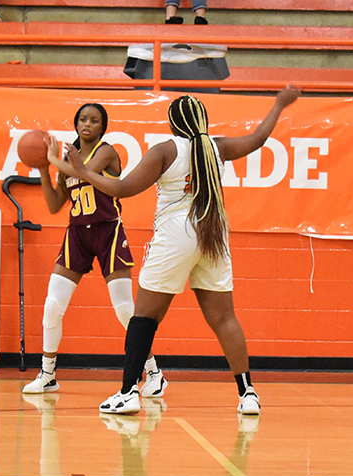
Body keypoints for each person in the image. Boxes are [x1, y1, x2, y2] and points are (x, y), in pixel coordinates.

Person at [54, 86, 300, 415]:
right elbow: (258, 138)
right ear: (203, 119)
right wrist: (280, 104)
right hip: (213, 233)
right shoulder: (218, 147)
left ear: (173, 124)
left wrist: (83, 172)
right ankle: (248, 393)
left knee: (144, 318)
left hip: (176, 234)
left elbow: (124, 188)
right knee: (225, 319)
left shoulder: (165, 150)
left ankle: (128, 393)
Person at [23, 104, 164, 397]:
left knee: (125, 310)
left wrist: (53, 159)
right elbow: (53, 205)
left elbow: (85, 173)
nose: (87, 124)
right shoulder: (67, 160)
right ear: (76, 124)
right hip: (77, 234)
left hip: (107, 230)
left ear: (102, 127)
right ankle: (48, 374)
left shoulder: (106, 152)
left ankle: (154, 373)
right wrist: (43, 169)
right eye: (83, 119)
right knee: (52, 306)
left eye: (94, 120)